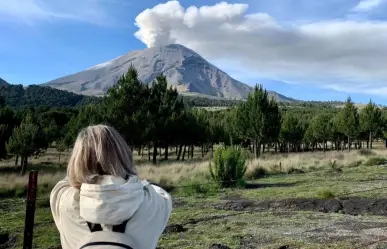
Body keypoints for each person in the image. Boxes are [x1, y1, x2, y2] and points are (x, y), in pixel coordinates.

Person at [50, 125, 172, 249]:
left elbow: (67, 181)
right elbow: (157, 190)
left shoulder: (64, 201)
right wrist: (130, 174)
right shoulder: (155, 203)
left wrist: (82, 165)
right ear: (125, 155)